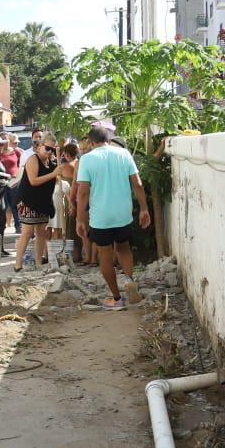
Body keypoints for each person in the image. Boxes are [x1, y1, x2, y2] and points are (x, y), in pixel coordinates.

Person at [75, 126, 151, 310]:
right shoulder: (123, 154)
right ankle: (129, 280)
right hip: (123, 213)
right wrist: (144, 209)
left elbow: (83, 193)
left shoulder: (86, 159)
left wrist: (80, 219)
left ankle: (117, 298)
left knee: (105, 255)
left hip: (101, 217)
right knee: (124, 248)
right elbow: (138, 184)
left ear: (91, 142)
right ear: (108, 139)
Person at [12, 134, 60, 271]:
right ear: (39, 146)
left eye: (52, 149)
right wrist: (53, 174)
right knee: (27, 231)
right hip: (28, 200)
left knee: (41, 232)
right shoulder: (33, 159)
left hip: (43, 202)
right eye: (47, 148)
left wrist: (57, 172)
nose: (49, 151)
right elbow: (33, 181)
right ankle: (18, 264)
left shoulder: (52, 164)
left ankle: (38, 262)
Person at [53, 141, 79, 263]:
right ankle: (79, 254)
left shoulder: (65, 167)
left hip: (70, 199)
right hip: (81, 198)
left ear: (66, 155)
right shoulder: (80, 164)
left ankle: (72, 255)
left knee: (69, 227)